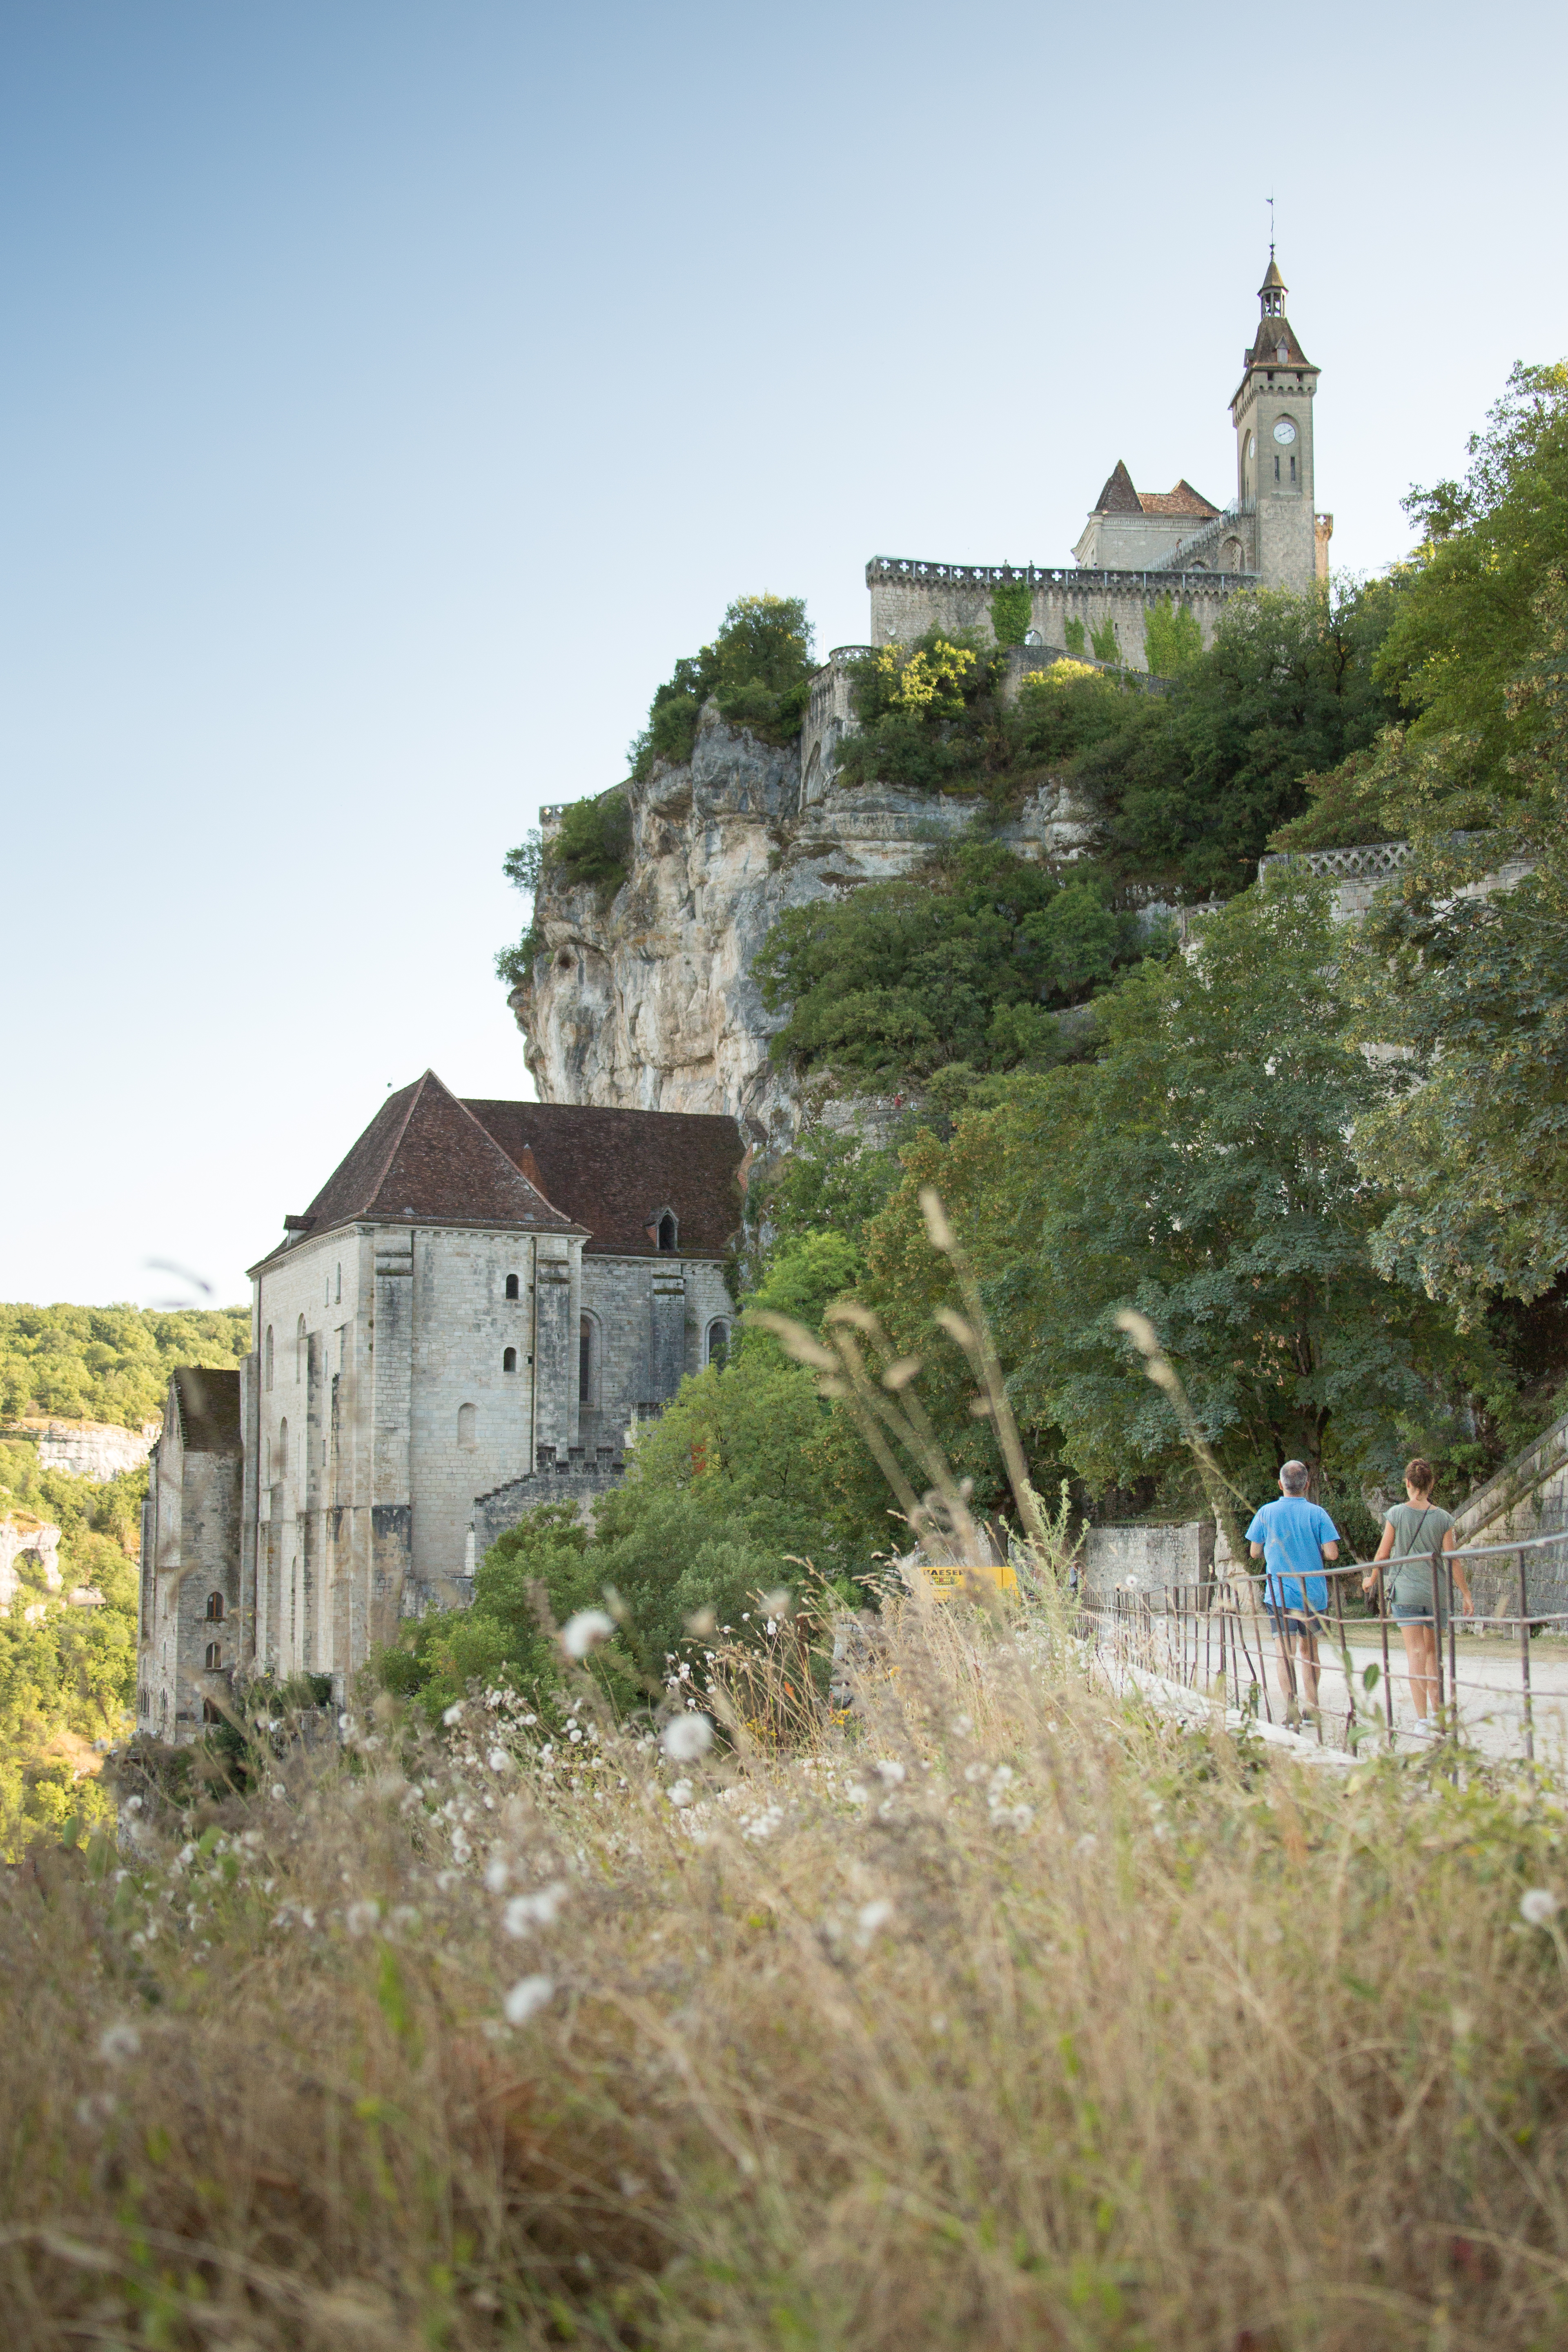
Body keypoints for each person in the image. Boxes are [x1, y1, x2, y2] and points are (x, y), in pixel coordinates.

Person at [1363, 1457, 1473, 1735]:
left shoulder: (1396, 1514)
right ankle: (1438, 1714)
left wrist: (1371, 1579)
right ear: (1431, 1484)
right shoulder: (1444, 1518)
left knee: (1415, 1653)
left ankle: (1422, 1720)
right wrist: (1466, 1595)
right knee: (1433, 1655)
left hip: (1407, 1592)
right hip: (1436, 1592)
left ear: (1408, 1484)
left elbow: (1383, 1554)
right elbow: (1452, 1559)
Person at [1245, 1461, 1340, 1716]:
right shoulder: (1318, 1514)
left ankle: (1292, 1709)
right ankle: (1313, 1707)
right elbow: (1332, 1554)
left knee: (1284, 1653)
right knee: (1310, 1651)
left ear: (1280, 1484)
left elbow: (1254, 1552)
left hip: (1280, 1594)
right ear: (1307, 1485)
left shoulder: (1266, 1512)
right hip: (1313, 1595)